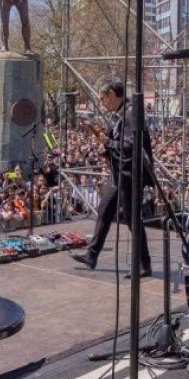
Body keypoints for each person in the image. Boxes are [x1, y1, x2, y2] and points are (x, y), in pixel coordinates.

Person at [70, 77, 154, 276]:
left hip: (131, 174)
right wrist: (104, 148)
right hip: (118, 173)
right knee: (105, 210)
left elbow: (131, 146)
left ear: (111, 95)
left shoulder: (132, 112)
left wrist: (107, 142)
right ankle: (92, 254)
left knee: (133, 221)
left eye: (102, 98)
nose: (101, 102)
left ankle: (144, 264)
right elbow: (115, 144)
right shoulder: (118, 115)